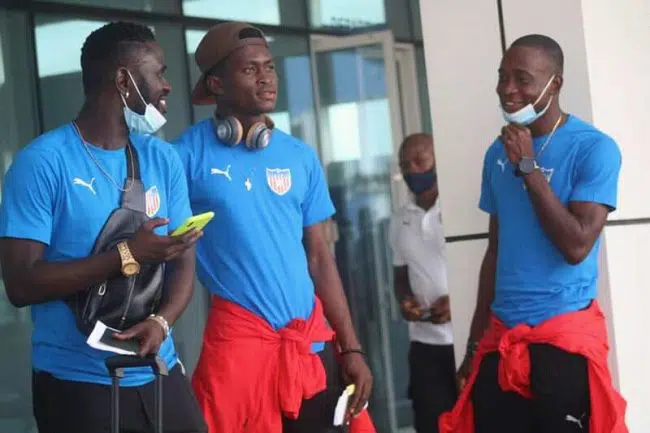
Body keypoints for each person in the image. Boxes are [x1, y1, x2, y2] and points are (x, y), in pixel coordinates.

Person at [0, 22, 206, 433]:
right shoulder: (42, 163)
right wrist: (127, 255)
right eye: (158, 73)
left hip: (158, 370)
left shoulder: (162, 157)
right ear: (123, 81)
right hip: (77, 383)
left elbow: (183, 262)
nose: (167, 85)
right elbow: (21, 285)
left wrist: (162, 322)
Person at [173, 21, 373, 433]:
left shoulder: (300, 156)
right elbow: (161, 240)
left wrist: (350, 346)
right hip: (239, 346)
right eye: (250, 69)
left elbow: (320, 258)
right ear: (216, 84)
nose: (266, 78)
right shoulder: (183, 156)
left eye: (269, 67)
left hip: (307, 344)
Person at [440, 34, 628, 433]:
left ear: (554, 83)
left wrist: (529, 168)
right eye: (502, 77)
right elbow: (495, 251)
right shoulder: (496, 153)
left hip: (562, 343)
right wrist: (474, 346)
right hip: (500, 341)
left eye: (522, 79)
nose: (508, 89)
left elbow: (576, 245)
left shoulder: (595, 148)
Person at [389, 133, 456, 433]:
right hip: (424, 346)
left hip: (467, 340)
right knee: (430, 424)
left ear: (437, 159)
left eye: (420, 161)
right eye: (405, 165)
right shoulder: (399, 219)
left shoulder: (457, 209)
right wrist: (405, 301)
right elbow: (400, 276)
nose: (412, 170)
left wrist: (458, 302)